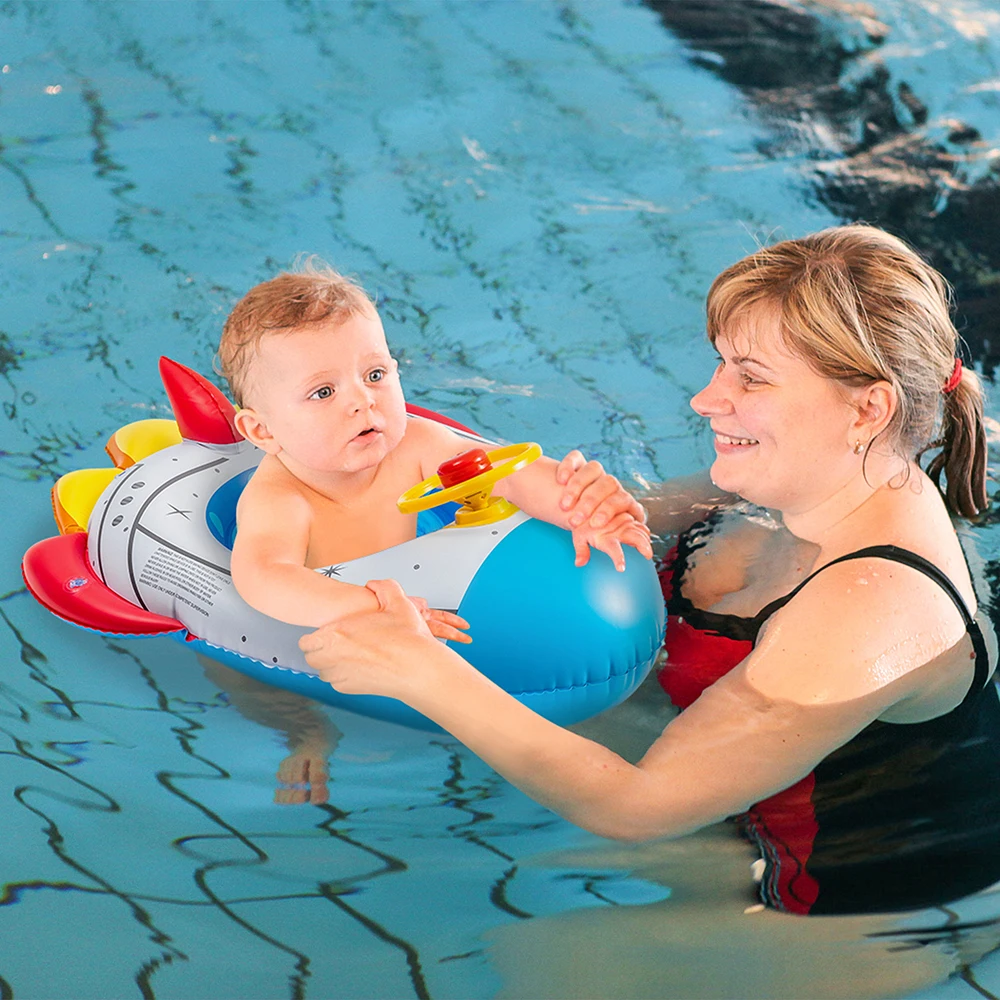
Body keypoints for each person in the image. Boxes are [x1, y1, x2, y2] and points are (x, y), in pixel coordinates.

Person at [298, 224, 1000, 916]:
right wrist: (574, 503)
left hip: (844, 909)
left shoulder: (871, 609)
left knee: (531, 955)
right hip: (728, 798)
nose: (706, 399)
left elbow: (638, 807)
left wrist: (422, 672)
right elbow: (596, 524)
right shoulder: (782, 480)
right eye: (721, 363)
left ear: (868, 409)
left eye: (750, 377)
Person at [217, 261, 652, 636]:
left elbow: (506, 474)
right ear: (261, 431)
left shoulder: (414, 445)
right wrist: (377, 609)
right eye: (324, 392)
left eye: (374, 375)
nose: (362, 401)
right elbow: (265, 578)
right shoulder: (282, 499)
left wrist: (586, 511)